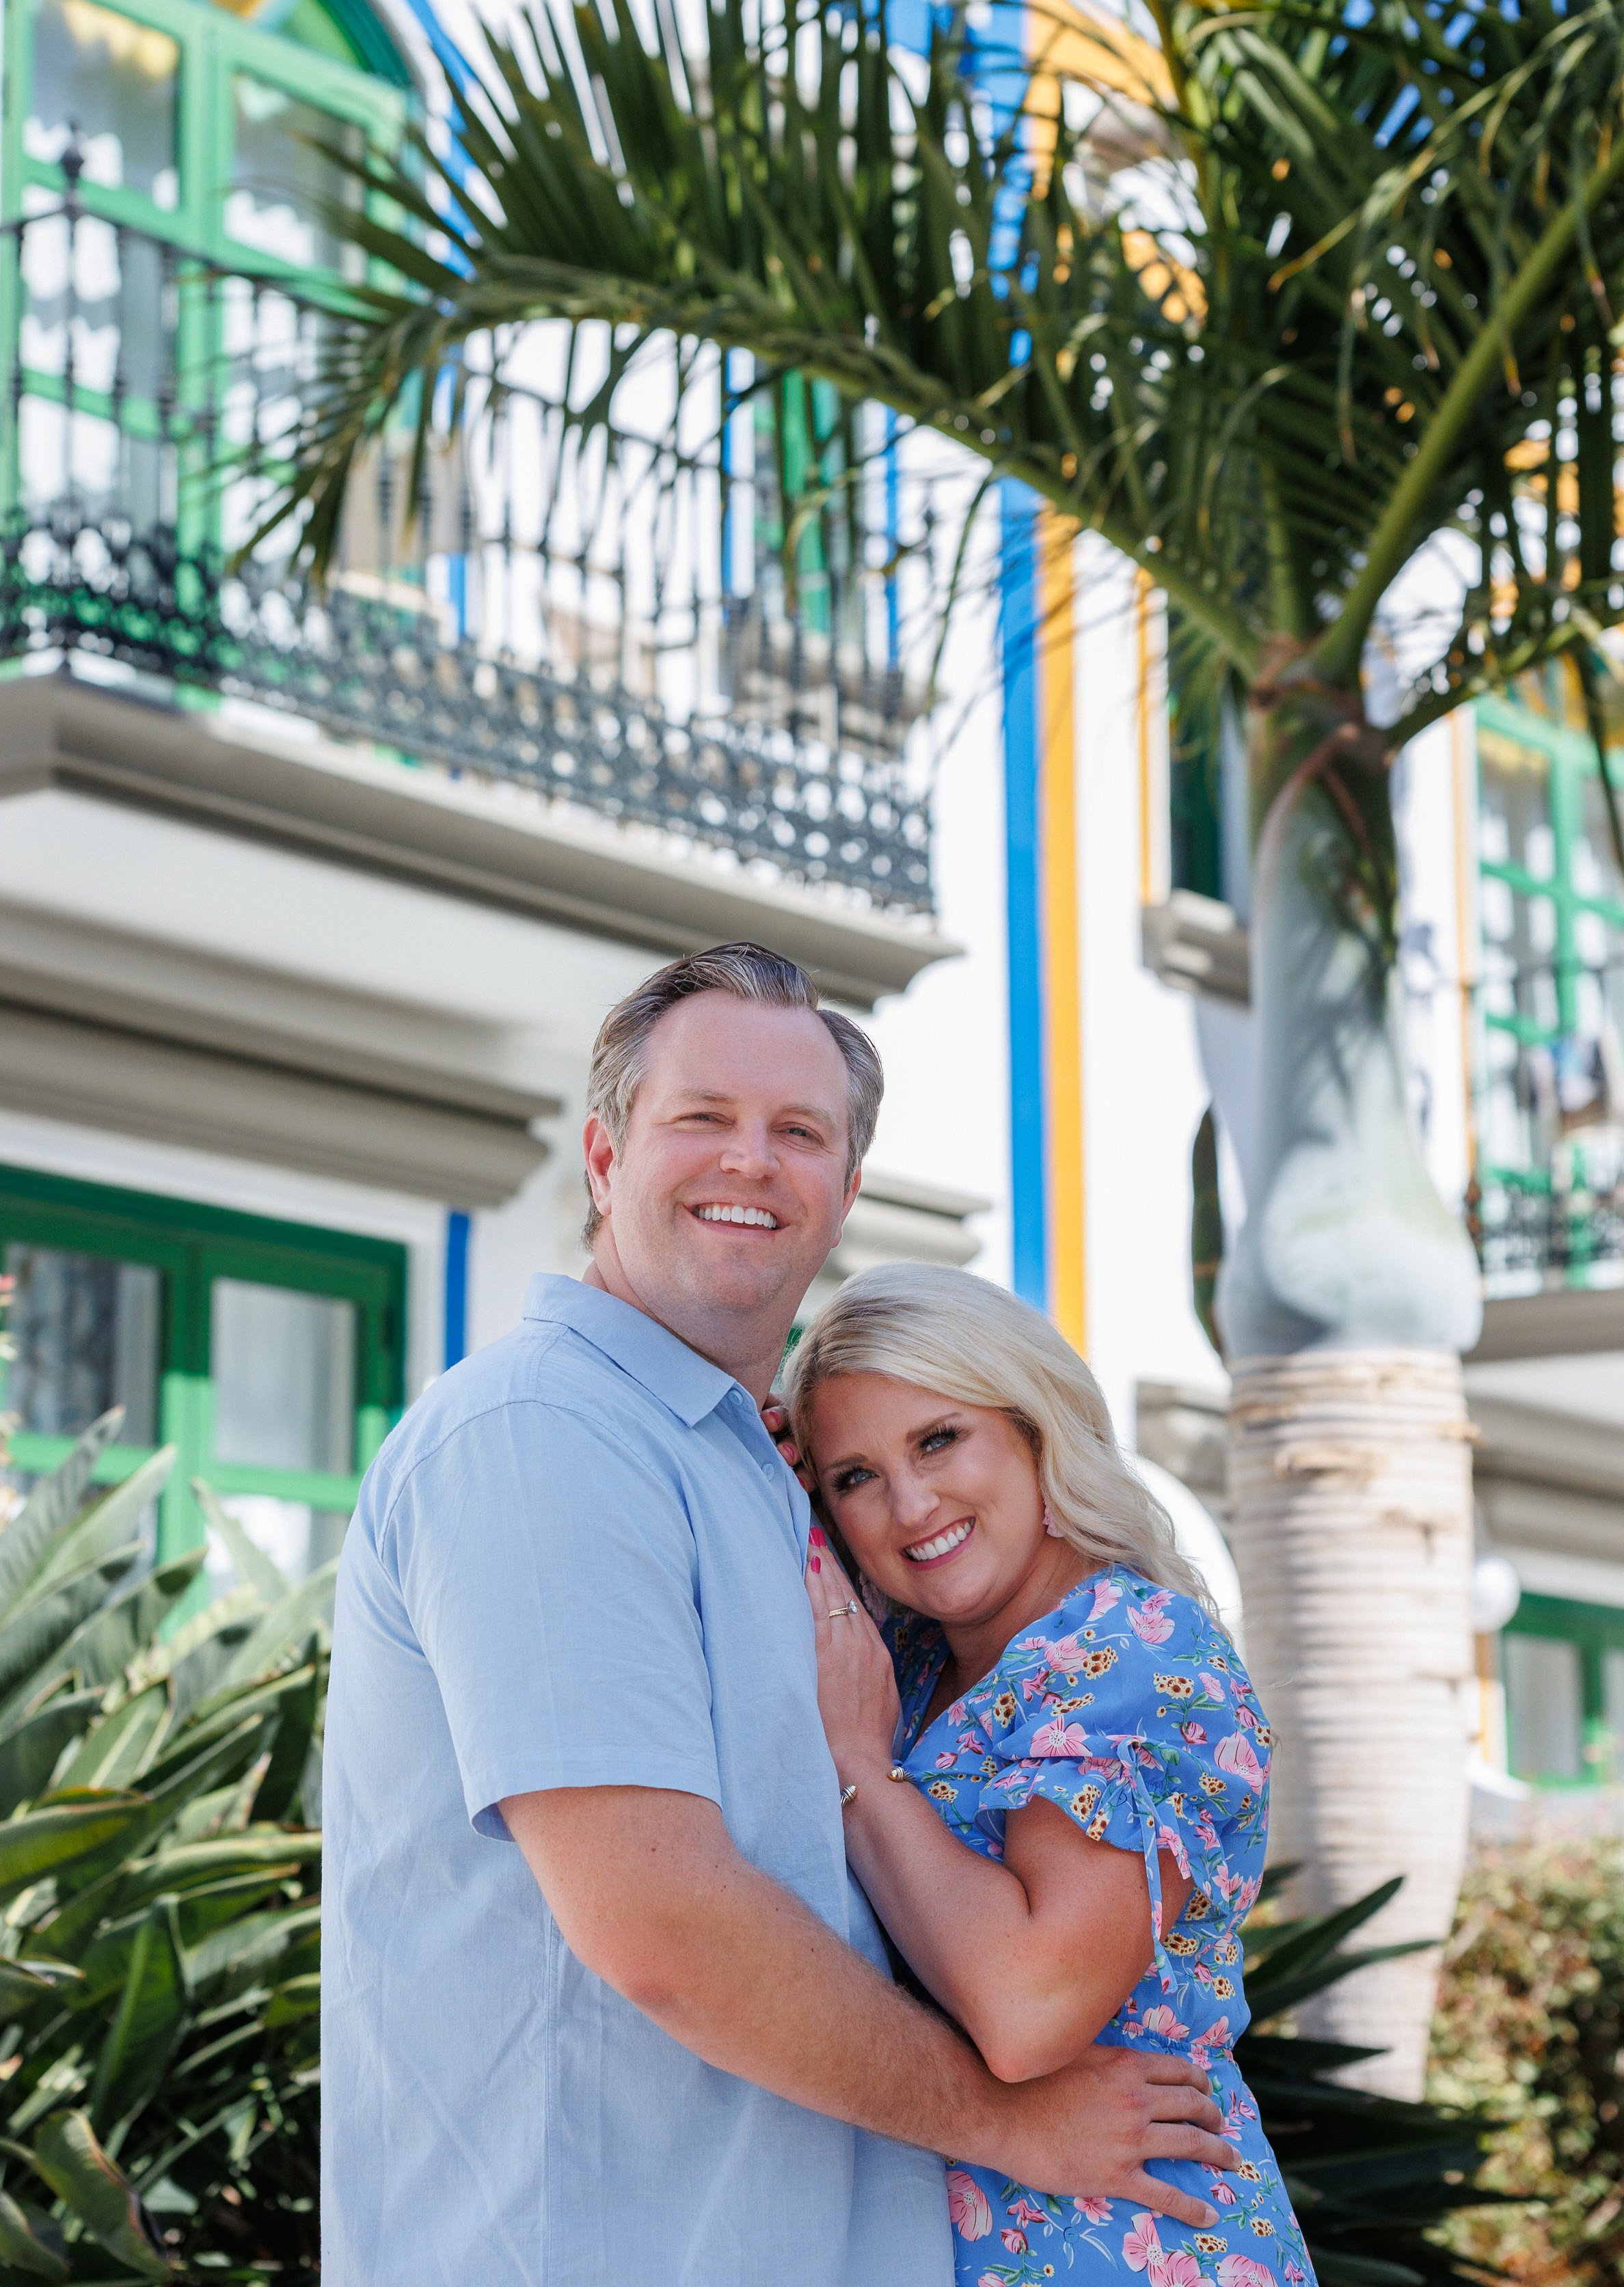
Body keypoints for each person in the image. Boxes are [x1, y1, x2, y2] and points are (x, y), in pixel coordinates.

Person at [322, 943, 1235, 2287]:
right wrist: (1002, 2125)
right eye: (703, 1117)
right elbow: (665, 1930)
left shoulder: (761, 1474)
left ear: (845, 1190)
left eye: (798, 1132)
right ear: (603, 1155)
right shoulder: (545, 1434)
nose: (751, 1161)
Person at [781, 1262, 1316, 2287]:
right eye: (855, 1477)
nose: (910, 1502)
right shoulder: (916, 1665)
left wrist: (859, 1765)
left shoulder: (1131, 1649)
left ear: (1033, 1428)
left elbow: (1029, 2012)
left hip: (1130, 2242)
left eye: (939, 1439)